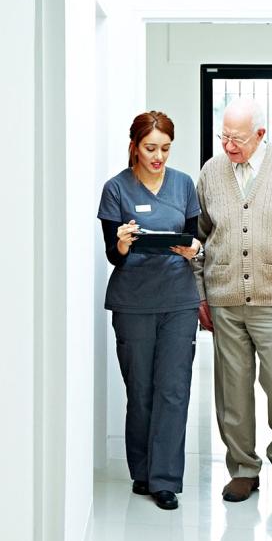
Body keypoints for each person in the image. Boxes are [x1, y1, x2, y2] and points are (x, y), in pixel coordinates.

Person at [98, 111, 202, 510]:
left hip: (178, 299)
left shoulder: (183, 185)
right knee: (140, 390)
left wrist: (194, 250)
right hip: (133, 303)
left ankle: (165, 480)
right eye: (150, 148)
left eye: (165, 149)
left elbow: (193, 238)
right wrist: (122, 244)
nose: (158, 156)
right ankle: (141, 472)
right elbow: (113, 255)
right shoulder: (116, 189)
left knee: (173, 390)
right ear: (134, 147)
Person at [193, 96, 272, 502]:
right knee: (232, 389)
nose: (228, 146)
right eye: (223, 136)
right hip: (225, 298)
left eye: (238, 139)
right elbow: (199, 236)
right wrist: (201, 294)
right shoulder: (211, 172)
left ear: (260, 135)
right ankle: (243, 468)